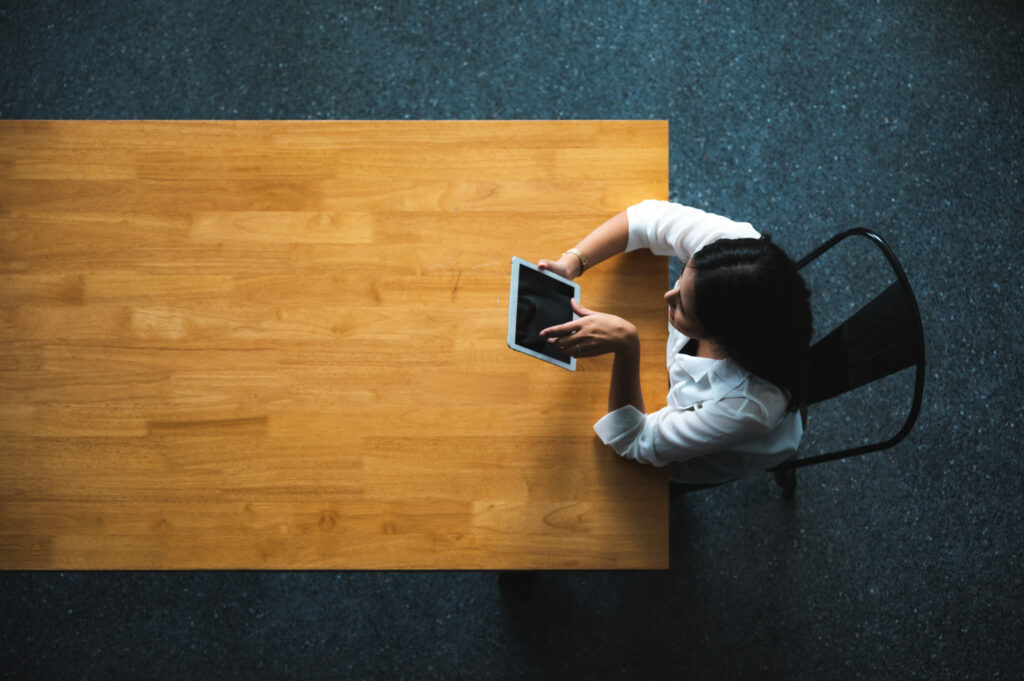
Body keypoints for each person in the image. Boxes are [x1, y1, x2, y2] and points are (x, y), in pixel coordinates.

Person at [538, 200, 812, 484]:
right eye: (682, 278)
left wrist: (627, 346)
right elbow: (646, 219)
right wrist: (573, 263)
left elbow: (632, 441)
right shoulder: (731, 257)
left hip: (710, 455)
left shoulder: (746, 409)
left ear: (723, 337)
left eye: (682, 307)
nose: (668, 296)